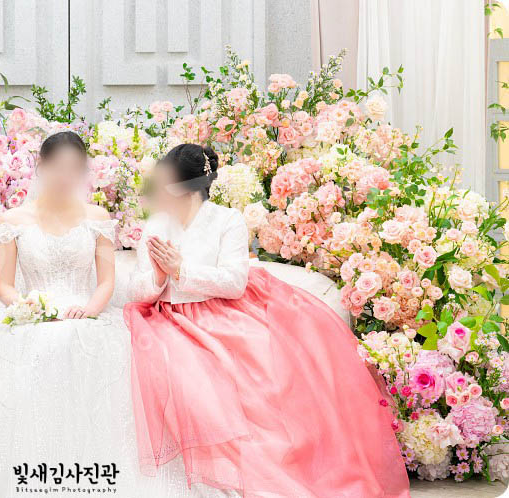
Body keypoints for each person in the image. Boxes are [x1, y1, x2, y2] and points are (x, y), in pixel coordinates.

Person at [0, 132, 229, 497]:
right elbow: (4, 286)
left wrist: (89, 309)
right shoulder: (14, 220)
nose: (66, 176)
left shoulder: (97, 217)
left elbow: (106, 281)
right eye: (58, 167)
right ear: (41, 167)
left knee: (89, 350)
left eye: (75, 168)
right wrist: (28, 307)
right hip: (30, 316)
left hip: (87, 315)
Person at [123, 143, 411, 497]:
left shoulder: (227, 220)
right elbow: (137, 291)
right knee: (191, 376)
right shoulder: (156, 225)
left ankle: (290, 468)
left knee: (266, 376)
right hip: (169, 319)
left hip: (223, 313)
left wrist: (182, 269)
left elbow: (233, 282)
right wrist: (158, 276)